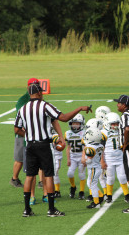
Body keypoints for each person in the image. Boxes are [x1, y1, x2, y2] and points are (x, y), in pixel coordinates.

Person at [14, 82, 92, 217]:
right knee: (48, 175)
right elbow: (64, 118)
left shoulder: (23, 108)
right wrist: (79, 108)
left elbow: (16, 129)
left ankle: (26, 209)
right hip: (43, 145)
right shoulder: (44, 106)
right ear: (39, 93)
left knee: (29, 176)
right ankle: (51, 209)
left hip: (30, 145)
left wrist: (28, 135)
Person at [10, 78, 39, 187]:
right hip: (22, 133)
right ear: (28, 86)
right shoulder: (23, 99)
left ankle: (41, 181)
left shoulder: (39, 97)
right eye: (32, 85)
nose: (34, 87)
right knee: (20, 158)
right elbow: (20, 115)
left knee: (37, 157)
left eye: (36, 85)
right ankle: (14, 178)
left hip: (35, 133)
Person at [102, 112, 129, 203]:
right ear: (107, 123)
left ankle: (126, 195)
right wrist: (102, 160)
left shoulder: (121, 131)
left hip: (120, 157)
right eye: (113, 124)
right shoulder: (104, 133)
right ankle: (109, 195)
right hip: (109, 158)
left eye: (117, 123)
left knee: (122, 177)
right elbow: (101, 148)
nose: (115, 126)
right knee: (110, 178)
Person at [65, 114, 86, 199]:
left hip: (81, 155)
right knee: (69, 173)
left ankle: (81, 192)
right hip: (73, 156)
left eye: (77, 123)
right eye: (73, 123)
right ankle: (73, 187)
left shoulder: (84, 133)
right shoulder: (68, 133)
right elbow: (68, 147)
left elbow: (85, 146)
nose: (75, 125)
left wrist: (84, 157)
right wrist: (68, 159)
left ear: (81, 124)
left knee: (81, 175)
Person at [83, 127, 105, 209]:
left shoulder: (90, 147)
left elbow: (89, 160)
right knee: (90, 183)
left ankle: (96, 202)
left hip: (93, 168)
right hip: (97, 167)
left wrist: (85, 161)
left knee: (92, 185)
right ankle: (100, 195)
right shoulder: (101, 146)